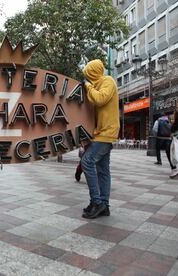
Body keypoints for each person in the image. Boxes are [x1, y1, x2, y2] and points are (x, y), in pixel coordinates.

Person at [80, 59, 119, 219]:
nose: (87, 78)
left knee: (87, 162)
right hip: (100, 133)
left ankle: (97, 202)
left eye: (88, 75)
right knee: (103, 170)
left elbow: (101, 99)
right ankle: (104, 205)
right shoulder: (97, 85)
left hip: (106, 132)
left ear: (93, 73)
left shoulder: (108, 81)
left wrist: (88, 85)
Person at [152, 113, 177, 178]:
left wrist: (156, 136)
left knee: (158, 149)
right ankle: (177, 167)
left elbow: (154, 129)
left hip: (160, 138)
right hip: (169, 138)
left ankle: (159, 160)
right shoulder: (169, 119)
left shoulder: (158, 121)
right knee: (170, 152)